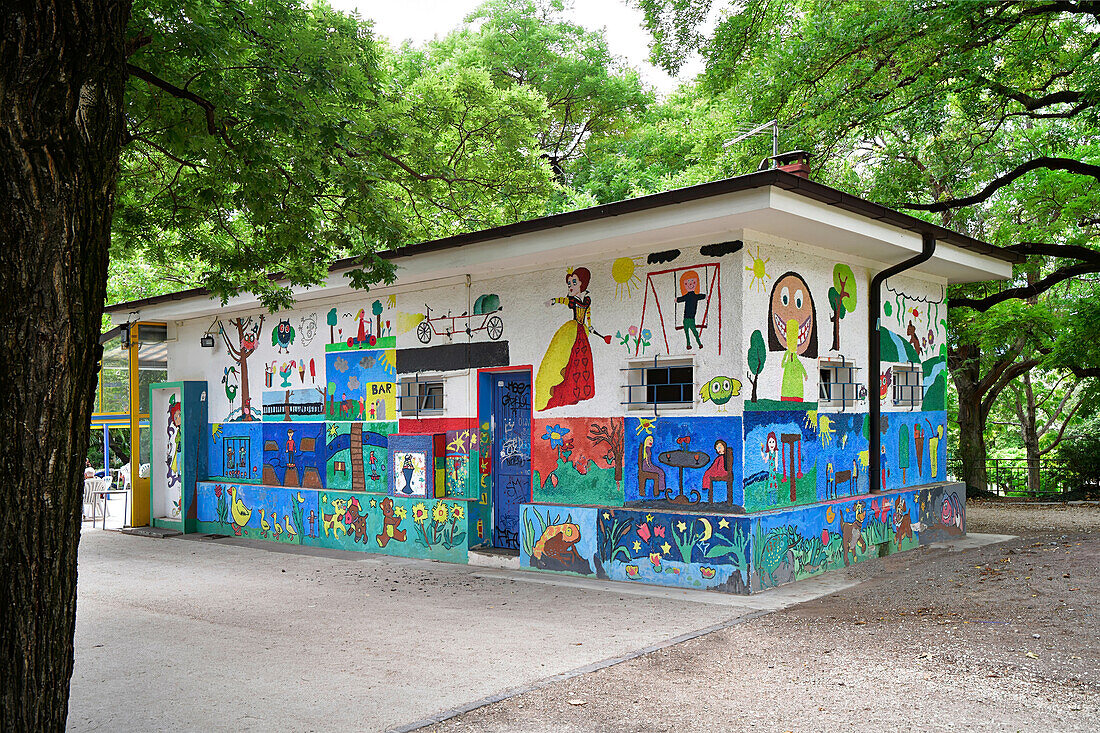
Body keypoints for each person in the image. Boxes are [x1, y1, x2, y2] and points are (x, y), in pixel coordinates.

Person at [535, 267, 597, 411]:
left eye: (574, 282)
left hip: (582, 330)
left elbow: (588, 313)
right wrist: (553, 301)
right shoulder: (572, 300)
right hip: (573, 328)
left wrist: (590, 325)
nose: (570, 286)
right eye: (569, 283)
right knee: (570, 358)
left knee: (582, 359)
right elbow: (564, 300)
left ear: (583, 282)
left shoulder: (586, 300)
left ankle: (581, 390)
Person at [676, 270, 705, 350]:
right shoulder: (688, 296)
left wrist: (677, 299)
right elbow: (682, 298)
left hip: (689, 318)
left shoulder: (694, 296)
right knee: (690, 332)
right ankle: (694, 344)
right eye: (686, 283)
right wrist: (677, 299)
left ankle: (697, 344)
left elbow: (700, 296)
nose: (690, 284)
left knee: (690, 332)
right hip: (689, 318)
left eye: (693, 282)